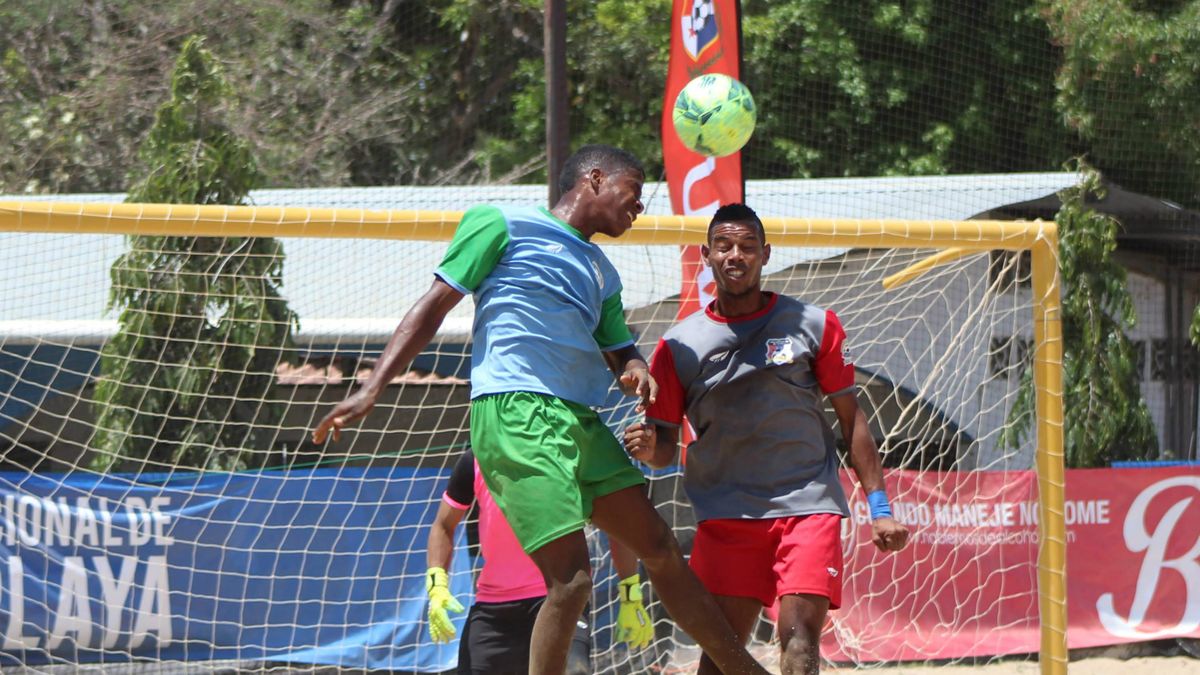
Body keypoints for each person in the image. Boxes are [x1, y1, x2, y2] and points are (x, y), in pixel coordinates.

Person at [312, 144, 769, 675]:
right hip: (514, 412)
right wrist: (372, 387)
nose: (639, 206)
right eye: (634, 191)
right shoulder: (500, 224)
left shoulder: (603, 273)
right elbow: (434, 306)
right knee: (571, 580)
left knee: (660, 547)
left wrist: (636, 366)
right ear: (595, 178)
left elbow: (621, 350)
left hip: (581, 421)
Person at [623, 203, 910, 675]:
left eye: (747, 246)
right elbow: (665, 449)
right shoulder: (677, 346)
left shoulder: (815, 323)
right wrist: (647, 448)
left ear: (766, 254)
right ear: (707, 255)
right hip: (727, 516)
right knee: (721, 662)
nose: (736, 255)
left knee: (798, 643)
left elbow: (850, 417)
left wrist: (880, 509)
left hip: (807, 508)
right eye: (724, 246)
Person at [425, 449, 653, 675]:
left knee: (576, 671)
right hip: (494, 608)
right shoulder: (477, 457)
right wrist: (436, 584)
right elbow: (443, 525)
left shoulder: (571, 451)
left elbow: (617, 523)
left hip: (559, 597)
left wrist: (630, 594)